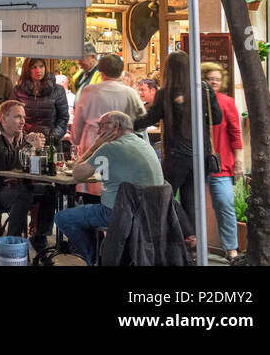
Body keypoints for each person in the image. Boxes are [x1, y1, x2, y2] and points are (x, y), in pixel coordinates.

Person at [54, 110, 164, 265]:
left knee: (62, 218)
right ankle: (105, 253)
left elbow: (78, 174)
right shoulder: (143, 143)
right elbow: (108, 173)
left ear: (116, 126)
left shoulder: (110, 148)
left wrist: (94, 147)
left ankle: (94, 259)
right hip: (150, 211)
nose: (98, 132)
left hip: (119, 212)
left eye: (102, 126)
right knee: (88, 210)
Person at [137, 50, 222, 237]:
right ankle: (192, 242)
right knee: (190, 199)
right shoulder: (205, 90)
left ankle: (184, 236)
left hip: (177, 156)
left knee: (164, 195)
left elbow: (147, 120)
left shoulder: (165, 93)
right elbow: (216, 118)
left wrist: (126, 122)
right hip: (202, 156)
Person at [0, 99, 56, 252]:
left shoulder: (20, 136)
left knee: (49, 191)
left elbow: (26, 165)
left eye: (24, 117)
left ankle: (39, 239)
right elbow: (6, 162)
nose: (23, 121)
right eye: (18, 117)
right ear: (3, 118)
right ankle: (11, 246)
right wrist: (28, 146)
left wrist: (38, 149)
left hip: (14, 186)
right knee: (22, 195)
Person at [71, 52, 144, 182]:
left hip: (93, 143)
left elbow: (77, 126)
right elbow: (142, 121)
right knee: (115, 186)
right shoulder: (131, 93)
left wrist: (75, 140)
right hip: (122, 147)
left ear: (100, 71)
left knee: (93, 186)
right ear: (121, 71)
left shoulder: (89, 91)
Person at [202, 63, 244, 261]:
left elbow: (235, 132)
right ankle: (196, 246)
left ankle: (231, 249)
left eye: (217, 79)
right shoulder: (196, 101)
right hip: (197, 165)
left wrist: (239, 161)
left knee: (224, 203)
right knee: (191, 205)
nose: (214, 82)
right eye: (210, 78)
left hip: (221, 164)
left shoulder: (227, 102)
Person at [12, 57, 69, 148]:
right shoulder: (18, 90)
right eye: (34, 67)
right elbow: (12, 116)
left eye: (41, 66)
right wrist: (23, 137)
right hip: (25, 143)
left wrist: (52, 138)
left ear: (45, 67)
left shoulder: (57, 90)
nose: (38, 70)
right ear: (27, 69)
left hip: (51, 145)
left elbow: (63, 118)